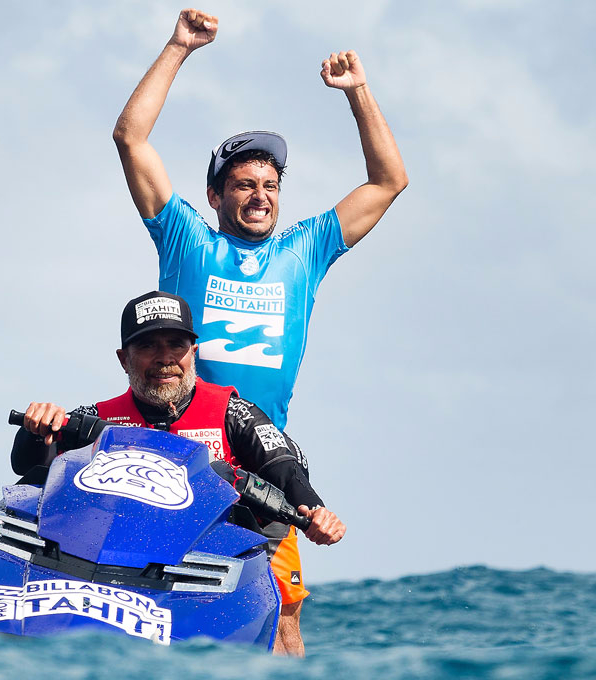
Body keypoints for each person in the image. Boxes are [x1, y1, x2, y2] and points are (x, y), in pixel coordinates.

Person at [112, 8, 409, 431]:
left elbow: (388, 182)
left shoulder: (304, 249)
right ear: (214, 196)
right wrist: (179, 47)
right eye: (245, 185)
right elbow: (130, 138)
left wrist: (358, 91)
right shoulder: (186, 239)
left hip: (264, 458)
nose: (260, 196)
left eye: (270, 186)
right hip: (179, 447)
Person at [11, 290, 345, 656]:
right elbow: (30, 467)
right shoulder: (96, 418)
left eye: (176, 345)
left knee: (280, 616)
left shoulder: (232, 411)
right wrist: (36, 428)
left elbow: (281, 463)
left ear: (194, 354)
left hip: (242, 536)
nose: (165, 358)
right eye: (149, 346)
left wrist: (313, 509)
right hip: (141, 544)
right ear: (124, 359)